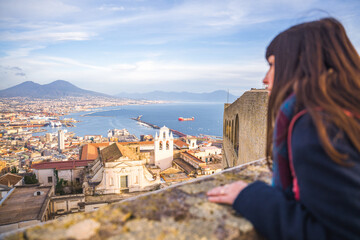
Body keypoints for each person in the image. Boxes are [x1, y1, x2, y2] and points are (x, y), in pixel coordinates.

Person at [207, 17, 360, 240]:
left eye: (272, 65)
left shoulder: (315, 125)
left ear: (300, 64)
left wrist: (251, 196)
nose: (265, 78)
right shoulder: (346, 113)